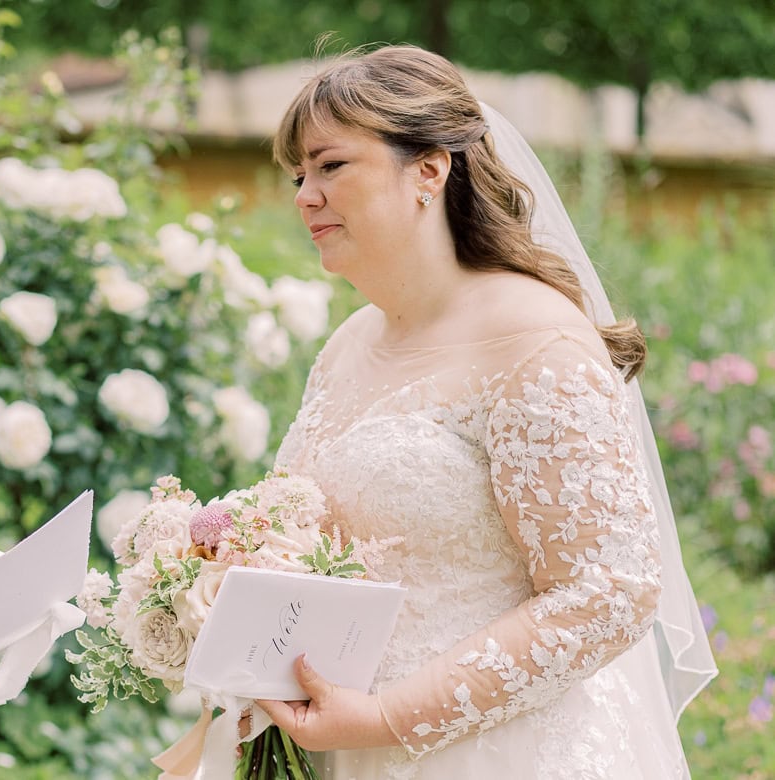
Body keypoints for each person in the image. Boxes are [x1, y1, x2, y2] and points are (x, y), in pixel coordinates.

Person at [257, 45, 717, 778]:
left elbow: (611, 591)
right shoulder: (349, 344)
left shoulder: (534, 340)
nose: (305, 195)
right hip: (353, 754)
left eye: (331, 165)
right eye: (298, 174)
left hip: (507, 753)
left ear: (430, 171)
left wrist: (389, 718)